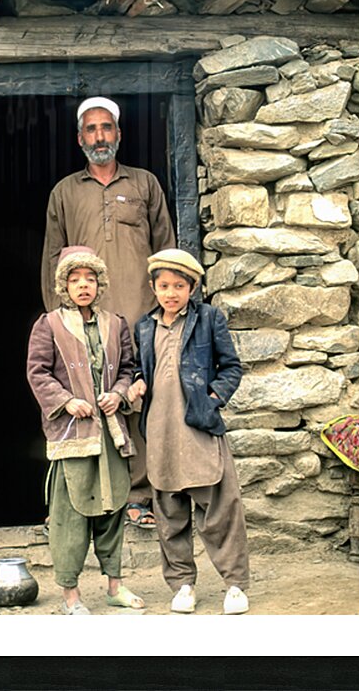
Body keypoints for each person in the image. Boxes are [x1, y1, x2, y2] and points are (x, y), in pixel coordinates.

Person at [41, 96, 176, 529]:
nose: (99, 136)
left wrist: (168, 312)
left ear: (118, 133)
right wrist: (59, 323)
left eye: (106, 128)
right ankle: (87, 500)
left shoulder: (144, 184)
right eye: (91, 129)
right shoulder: (65, 192)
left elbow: (166, 250)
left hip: (140, 314)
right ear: (79, 138)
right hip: (86, 321)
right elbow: (52, 259)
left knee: (139, 400)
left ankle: (139, 495)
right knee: (86, 401)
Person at [128, 248, 250, 615]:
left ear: (192, 288)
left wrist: (212, 399)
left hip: (198, 427)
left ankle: (235, 584)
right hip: (160, 430)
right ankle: (183, 585)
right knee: (169, 513)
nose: (171, 293)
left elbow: (231, 367)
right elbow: (140, 367)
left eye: (179, 286)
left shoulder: (208, 318)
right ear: (153, 287)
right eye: (164, 286)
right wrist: (138, 381)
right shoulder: (145, 326)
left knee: (220, 509)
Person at [27, 245, 145, 615]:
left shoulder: (116, 324)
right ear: (64, 285)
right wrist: (66, 401)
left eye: (90, 279)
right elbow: (37, 372)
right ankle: (71, 596)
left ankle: (114, 586)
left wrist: (119, 394)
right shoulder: (49, 325)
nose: (83, 285)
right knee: (70, 515)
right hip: (73, 436)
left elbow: (128, 368)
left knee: (113, 508)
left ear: (99, 284)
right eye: (75, 279)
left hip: (110, 434)